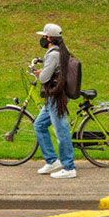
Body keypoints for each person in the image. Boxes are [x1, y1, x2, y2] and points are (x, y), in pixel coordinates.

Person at [32, 23, 77, 179]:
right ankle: (52, 161)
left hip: (56, 99)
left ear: (49, 38)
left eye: (44, 36)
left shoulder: (52, 54)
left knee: (61, 132)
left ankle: (69, 167)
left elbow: (45, 77)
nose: (42, 39)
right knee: (39, 125)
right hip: (55, 97)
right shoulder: (61, 51)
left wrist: (40, 73)